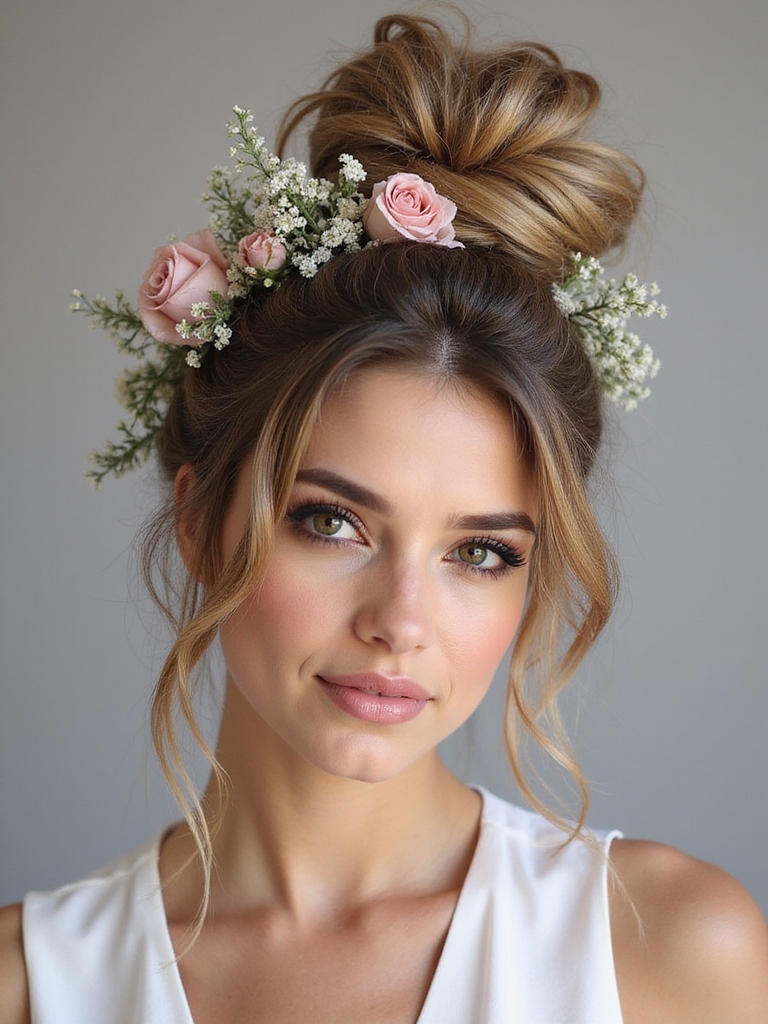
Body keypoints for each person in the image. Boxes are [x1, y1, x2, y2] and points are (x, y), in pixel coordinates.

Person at [2, 12, 767, 1024]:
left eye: (481, 551)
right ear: (197, 520)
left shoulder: (668, 955)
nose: (401, 622)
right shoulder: (29, 987)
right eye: (332, 523)